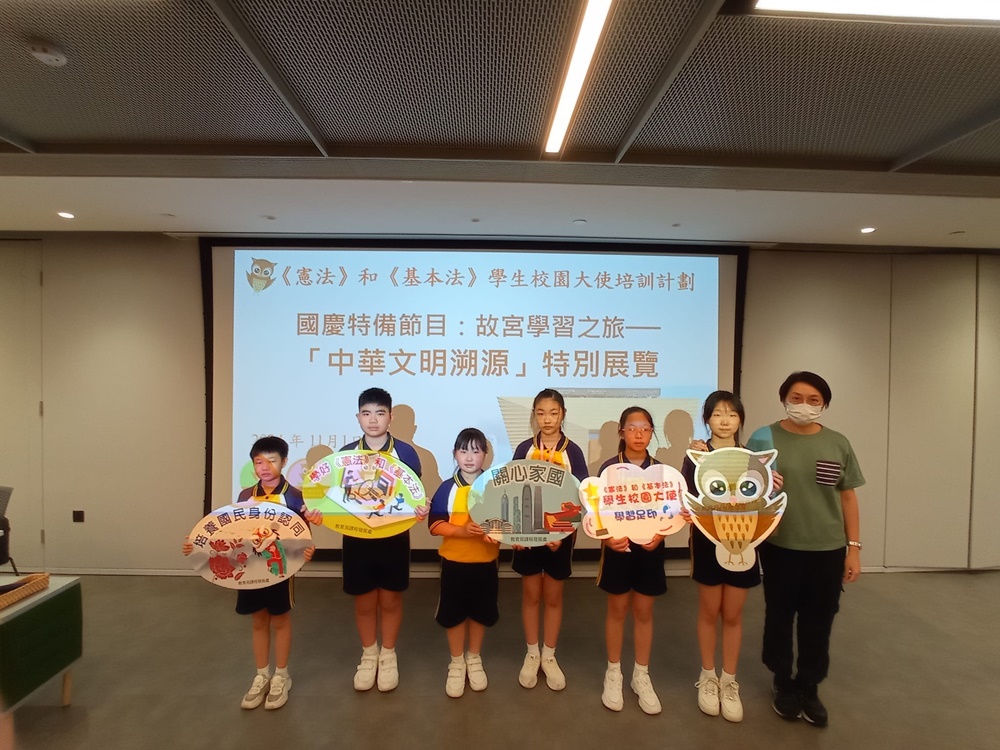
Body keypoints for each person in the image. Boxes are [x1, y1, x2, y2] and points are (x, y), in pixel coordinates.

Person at [747, 372, 863, 727]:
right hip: (780, 544)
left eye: (814, 400)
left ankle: (809, 685)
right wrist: (761, 484)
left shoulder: (838, 443)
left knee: (819, 620)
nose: (804, 405)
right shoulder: (763, 438)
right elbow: (744, 489)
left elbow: (847, 496)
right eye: (796, 398)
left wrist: (854, 548)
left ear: (824, 404)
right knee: (779, 615)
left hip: (827, 547)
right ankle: (782, 682)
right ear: (784, 399)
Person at [182, 436, 322, 710]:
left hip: (280, 567)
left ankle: (281, 676)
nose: (265, 467)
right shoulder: (245, 496)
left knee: (279, 619)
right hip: (248, 568)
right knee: (258, 619)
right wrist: (196, 544)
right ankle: (261, 676)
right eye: (259, 462)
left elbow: (303, 535)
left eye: (271, 461)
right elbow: (231, 532)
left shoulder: (296, 496)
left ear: (284, 461)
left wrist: (308, 549)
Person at [682, 391, 767, 723]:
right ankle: (708, 676)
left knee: (732, 614)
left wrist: (771, 482)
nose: (725, 420)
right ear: (707, 420)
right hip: (707, 542)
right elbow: (686, 496)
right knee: (709, 611)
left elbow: (761, 499)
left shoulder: (752, 459)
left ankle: (729, 681)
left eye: (732, 414)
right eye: (717, 414)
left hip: (744, 543)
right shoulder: (696, 456)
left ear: (740, 419)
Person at [340, 387, 425, 693]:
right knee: (364, 601)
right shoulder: (345, 455)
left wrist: (419, 509)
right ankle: (368, 654)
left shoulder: (406, 453)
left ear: (391, 416)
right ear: (358, 417)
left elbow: (414, 495)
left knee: (390, 599)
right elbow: (336, 498)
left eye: (379, 413)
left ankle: (388, 654)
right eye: (366, 413)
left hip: (394, 537)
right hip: (357, 538)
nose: (373, 420)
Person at [511, 388, 588, 690]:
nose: (547, 419)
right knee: (531, 594)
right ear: (534, 415)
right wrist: (516, 532)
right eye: (541, 413)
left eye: (553, 413)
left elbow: (582, 495)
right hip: (528, 533)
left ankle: (549, 655)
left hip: (561, 534)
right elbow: (511, 492)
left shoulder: (573, 451)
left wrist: (562, 532)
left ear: (562, 415)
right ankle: (532, 653)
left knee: (553, 597)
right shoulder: (524, 449)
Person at [597, 407, 666, 716]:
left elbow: (671, 512)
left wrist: (661, 535)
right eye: (632, 427)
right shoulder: (609, 469)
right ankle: (614, 672)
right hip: (618, 549)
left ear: (652, 433)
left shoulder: (662, 471)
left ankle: (641, 674)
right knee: (617, 609)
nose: (639, 434)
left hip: (650, 550)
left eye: (645, 428)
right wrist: (606, 539)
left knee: (644, 612)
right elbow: (596, 513)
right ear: (621, 432)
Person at [428, 428, 500, 698]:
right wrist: (461, 531)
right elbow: (435, 525)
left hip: (486, 563)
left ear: (486, 455)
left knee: (480, 612)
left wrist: (497, 535)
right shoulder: (447, 488)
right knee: (454, 614)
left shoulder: (494, 487)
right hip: (454, 563)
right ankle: (457, 662)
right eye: (463, 450)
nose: (469, 457)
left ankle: (474, 658)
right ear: (454, 454)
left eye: (476, 451)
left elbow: (504, 523)